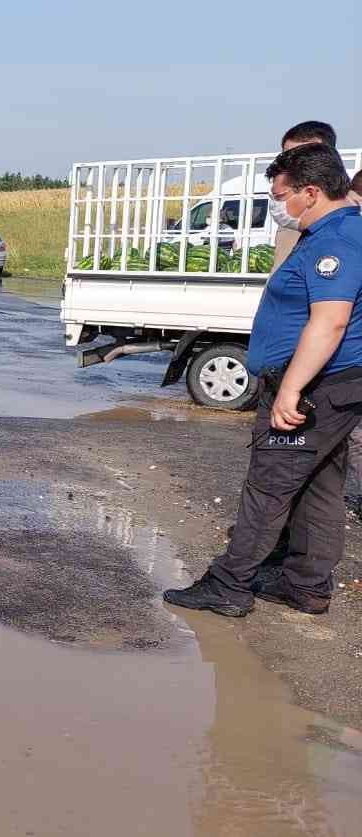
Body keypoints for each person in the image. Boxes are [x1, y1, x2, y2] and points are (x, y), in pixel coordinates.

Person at [164, 144, 362, 618]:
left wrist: (291, 389)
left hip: (317, 387)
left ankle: (228, 585)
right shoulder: (340, 231)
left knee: (269, 484)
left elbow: (330, 321)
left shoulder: (335, 241)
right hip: (336, 385)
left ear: (310, 192)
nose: (278, 206)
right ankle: (306, 585)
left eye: (281, 196)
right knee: (319, 486)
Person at [272, 121, 337, 270]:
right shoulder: (289, 214)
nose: (292, 165)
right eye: (287, 157)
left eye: (303, 157)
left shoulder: (348, 218)